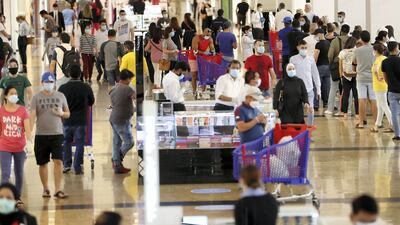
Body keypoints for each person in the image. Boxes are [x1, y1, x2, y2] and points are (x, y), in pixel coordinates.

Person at [30, 72, 70, 199]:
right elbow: (32, 115)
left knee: (58, 161)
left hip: (57, 134)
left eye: (51, 82)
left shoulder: (61, 96)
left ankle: (58, 189)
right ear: (42, 83)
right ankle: (46, 188)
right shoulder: (36, 98)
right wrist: (28, 133)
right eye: (46, 82)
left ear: (54, 83)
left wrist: (62, 113)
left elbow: (68, 113)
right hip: (41, 135)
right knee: (43, 163)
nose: (49, 84)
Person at [58, 65, 95, 174]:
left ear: (69, 74)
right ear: (80, 74)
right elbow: (91, 102)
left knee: (66, 142)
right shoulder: (86, 87)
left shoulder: (63, 88)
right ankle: (77, 167)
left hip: (67, 120)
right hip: (81, 120)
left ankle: (66, 164)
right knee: (80, 143)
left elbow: (58, 104)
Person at [0, 86, 31, 199]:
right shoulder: (1, 111)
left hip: (20, 147)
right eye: (12, 93)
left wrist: (29, 143)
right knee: (5, 174)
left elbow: (27, 129)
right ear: (6, 96)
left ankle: (17, 197)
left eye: (16, 93)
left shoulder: (22, 110)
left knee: (19, 173)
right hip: (4, 147)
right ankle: (3, 198)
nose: (15, 96)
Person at [109, 70, 135, 173]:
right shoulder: (127, 89)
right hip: (122, 120)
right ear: (127, 78)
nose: (130, 81)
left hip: (114, 118)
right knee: (129, 142)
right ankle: (116, 160)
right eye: (130, 79)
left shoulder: (114, 88)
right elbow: (136, 97)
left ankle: (117, 164)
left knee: (117, 142)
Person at [290, 40, 321, 126]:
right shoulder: (293, 59)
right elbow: (290, 75)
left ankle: (309, 130)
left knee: (311, 110)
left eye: (305, 48)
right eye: (302, 48)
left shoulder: (311, 59)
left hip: (309, 90)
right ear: (298, 48)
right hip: (296, 90)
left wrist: (318, 90)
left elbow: (315, 74)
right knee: (297, 111)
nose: (304, 49)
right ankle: (299, 130)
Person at [353, 30, 377, 129]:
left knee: (361, 99)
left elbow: (354, 63)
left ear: (361, 39)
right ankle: (376, 122)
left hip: (361, 77)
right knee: (373, 100)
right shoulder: (374, 49)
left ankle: (361, 123)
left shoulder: (357, 50)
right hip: (372, 77)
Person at [325, 24, 350, 115]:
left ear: (341, 31)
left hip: (336, 65)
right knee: (347, 89)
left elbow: (329, 55)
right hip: (348, 67)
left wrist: (332, 63)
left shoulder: (335, 41)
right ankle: (348, 110)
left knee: (333, 87)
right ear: (348, 31)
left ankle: (330, 109)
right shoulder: (351, 41)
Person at [370, 44, 392, 133]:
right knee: (380, 106)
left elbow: (377, 70)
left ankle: (393, 124)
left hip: (379, 86)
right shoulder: (384, 58)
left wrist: (378, 75)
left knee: (384, 106)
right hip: (383, 85)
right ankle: (377, 124)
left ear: (375, 51)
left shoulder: (378, 60)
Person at [382, 42, 400, 140]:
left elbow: (385, 77)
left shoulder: (385, 62)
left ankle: (397, 135)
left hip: (392, 91)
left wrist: (390, 84)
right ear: (396, 48)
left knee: (394, 113)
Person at [338, 37, 359, 118]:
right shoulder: (357, 51)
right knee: (356, 95)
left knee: (345, 94)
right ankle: (357, 113)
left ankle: (344, 113)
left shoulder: (342, 52)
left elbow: (340, 65)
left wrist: (341, 75)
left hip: (345, 75)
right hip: (355, 75)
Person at [190, 27, 215, 93]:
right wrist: (204, 53)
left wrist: (212, 52)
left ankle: (203, 91)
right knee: (194, 74)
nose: (207, 36)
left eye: (209, 35)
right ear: (203, 32)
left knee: (203, 74)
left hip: (202, 58)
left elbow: (212, 48)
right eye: (206, 35)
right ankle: (194, 91)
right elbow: (195, 51)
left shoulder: (210, 39)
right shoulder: (196, 38)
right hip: (193, 57)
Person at [314, 28, 331, 108]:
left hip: (320, 67)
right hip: (328, 67)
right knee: (326, 86)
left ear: (320, 34)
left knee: (317, 85)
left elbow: (315, 57)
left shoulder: (318, 44)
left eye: (316, 34)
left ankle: (316, 104)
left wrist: (313, 66)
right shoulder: (328, 43)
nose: (316, 36)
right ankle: (326, 103)